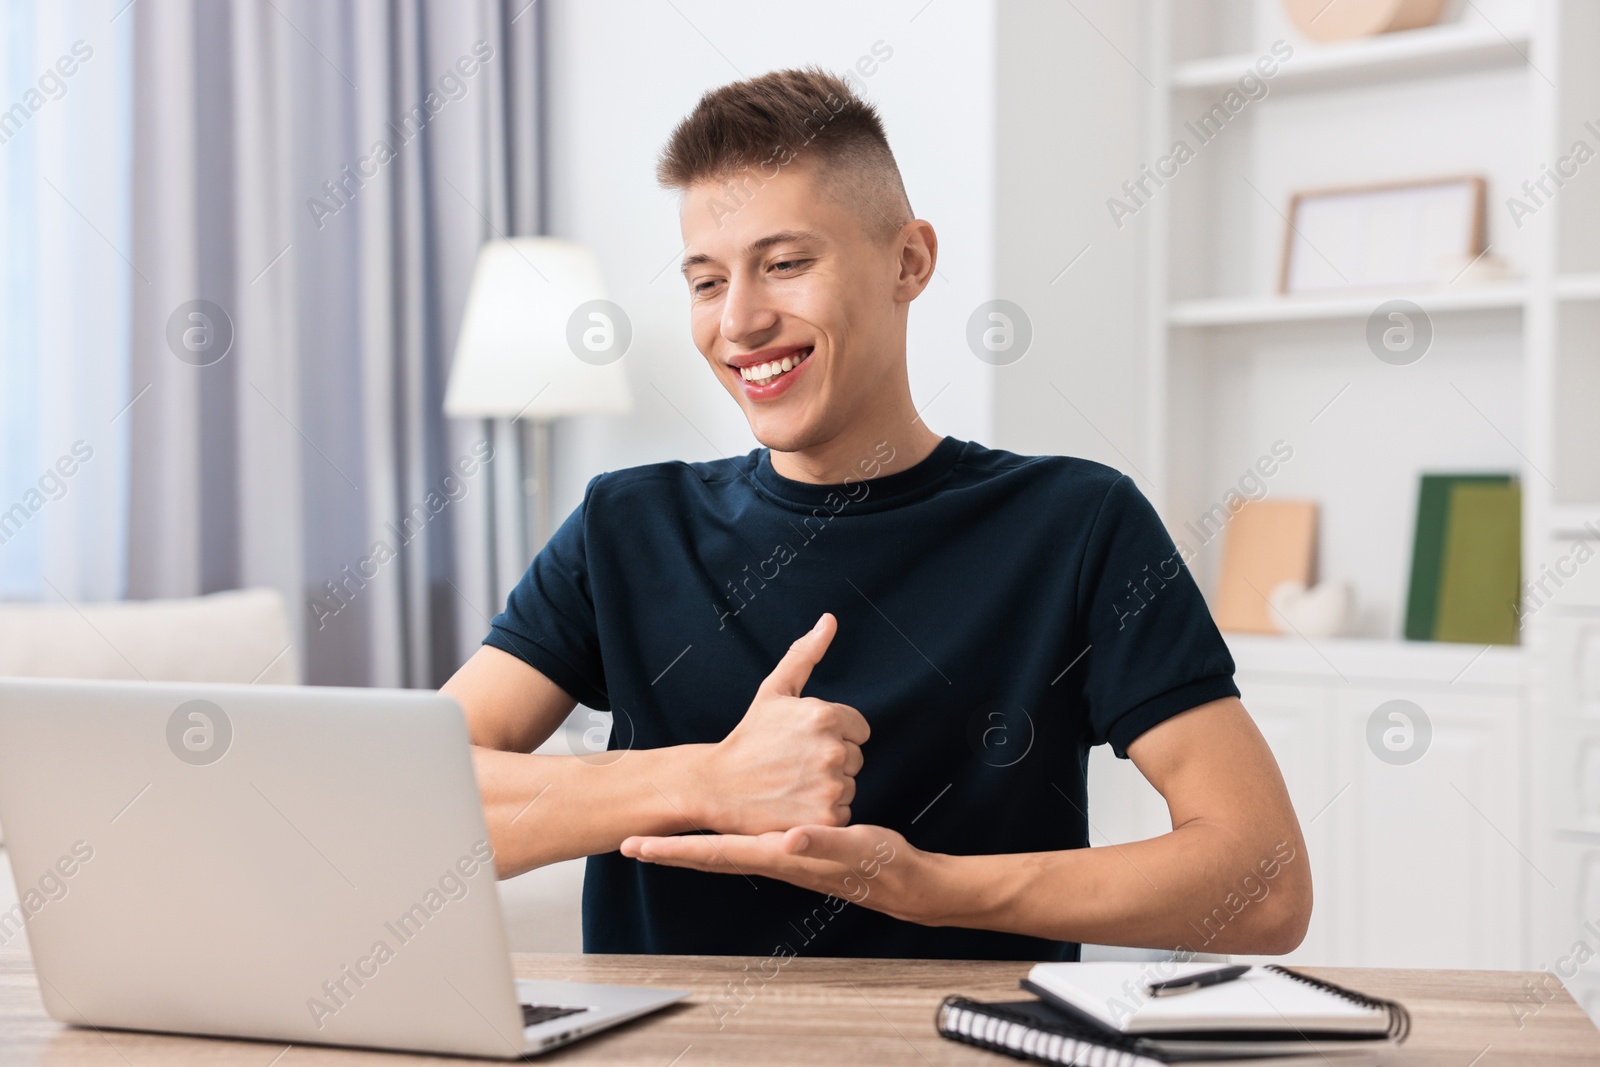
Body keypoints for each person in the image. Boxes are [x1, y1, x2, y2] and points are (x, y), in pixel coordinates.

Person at [441, 67, 1311, 961]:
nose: (738, 320)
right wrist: (708, 778)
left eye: (784, 264)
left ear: (909, 261)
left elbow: (1266, 880)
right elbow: (422, 809)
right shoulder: (623, 525)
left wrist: (928, 887)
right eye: (706, 281)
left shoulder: (1076, 523)